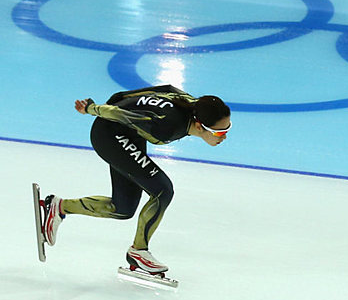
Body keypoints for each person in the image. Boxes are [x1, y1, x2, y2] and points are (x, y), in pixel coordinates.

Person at [40, 85, 231, 276]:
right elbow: (118, 113)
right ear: (199, 126)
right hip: (109, 135)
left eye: (227, 129)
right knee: (163, 190)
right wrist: (91, 108)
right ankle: (139, 251)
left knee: (123, 208)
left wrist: (116, 99)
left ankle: (59, 207)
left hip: (129, 134)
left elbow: (151, 91)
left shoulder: (191, 104)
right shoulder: (169, 126)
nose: (224, 137)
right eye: (219, 133)